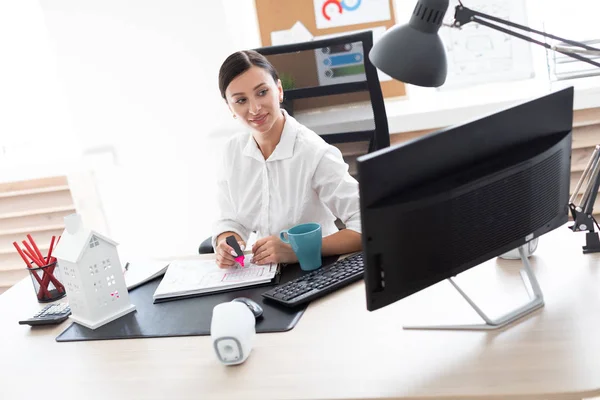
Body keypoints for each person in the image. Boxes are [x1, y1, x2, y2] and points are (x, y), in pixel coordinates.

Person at [212, 49, 362, 268]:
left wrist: (298, 250)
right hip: (266, 273)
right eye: (241, 100)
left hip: (320, 270)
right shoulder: (232, 153)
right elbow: (231, 220)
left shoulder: (314, 152)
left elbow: (367, 225)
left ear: (279, 90)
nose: (254, 108)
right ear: (230, 108)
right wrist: (227, 243)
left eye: (262, 92)